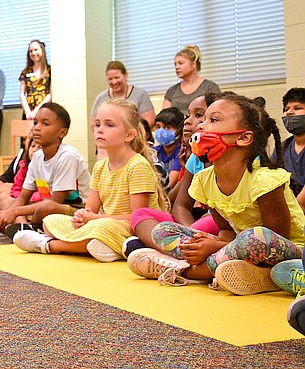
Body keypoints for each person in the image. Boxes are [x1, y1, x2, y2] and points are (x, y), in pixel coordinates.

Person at [127, 94, 305, 295]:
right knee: (162, 230)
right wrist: (207, 243)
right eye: (203, 120)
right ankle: (225, 269)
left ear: (244, 137)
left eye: (213, 120)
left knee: (254, 238)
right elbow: (226, 231)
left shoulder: (264, 180)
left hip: (290, 251)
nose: (201, 126)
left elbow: (276, 236)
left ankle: (187, 271)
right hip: (235, 248)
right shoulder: (205, 179)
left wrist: (214, 246)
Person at [13, 99, 167, 262]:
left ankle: (50, 246)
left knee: (102, 228)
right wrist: (81, 216)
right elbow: (90, 210)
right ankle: (107, 247)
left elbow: (137, 219)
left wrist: (94, 219)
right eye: (98, 124)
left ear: (129, 135)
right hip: (104, 224)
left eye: (109, 125)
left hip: (131, 228)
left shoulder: (138, 166)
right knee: (51, 221)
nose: (100, 130)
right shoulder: (100, 167)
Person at [125, 93, 222, 257]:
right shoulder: (195, 159)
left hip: (219, 224)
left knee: (210, 219)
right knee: (140, 214)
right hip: (193, 227)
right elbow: (178, 205)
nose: (188, 121)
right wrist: (189, 231)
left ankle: (171, 252)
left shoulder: (237, 161)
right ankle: (183, 249)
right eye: (188, 115)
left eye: (198, 115)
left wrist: (187, 233)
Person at [0, 103, 90, 238]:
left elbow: (55, 202)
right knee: (8, 201)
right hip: (49, 208)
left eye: (45, 124)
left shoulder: (67, 156)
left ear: (62, 132)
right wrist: (4, 215)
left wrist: (14, 213)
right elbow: (23, 197)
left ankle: (32, 230)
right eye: (35, 123)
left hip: (77, 210)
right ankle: (25, 228)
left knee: (45, 207)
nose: (37, 128)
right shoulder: (37, 157)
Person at [90, 61, 155, 129]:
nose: (114, 82)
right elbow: (93, 124)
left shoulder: (140, 94)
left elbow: (149, 121)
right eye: (110, 79)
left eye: (117, 77)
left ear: (125, 75)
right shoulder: (101, 98)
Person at [162, 45, 221, 113]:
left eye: (180, 63)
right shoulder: (172, 91)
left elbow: (217, 113)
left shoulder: (210, 87)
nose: (177, 67)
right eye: (175, 64)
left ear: (193, 64)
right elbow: (164, 117)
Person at [277, 87, 305, 211]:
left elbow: (301, 205)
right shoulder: (283, 148)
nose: (289, 112)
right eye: (286, 109)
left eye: (297, 108)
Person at [153, 107, 185, 191]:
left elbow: (170, 184)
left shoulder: (182, 152)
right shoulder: (154, 152)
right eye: (158, 127)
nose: (161, 131)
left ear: (179, 129)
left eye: (167, 127)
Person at [19, 40, 51, 120]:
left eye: (36, 50)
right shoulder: (26, 71)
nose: (33, 53)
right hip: (28, 112)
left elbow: (50, 94)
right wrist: (28, 112)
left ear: (42, 50)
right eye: (31, 51)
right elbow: (22, 94)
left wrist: (36, 111)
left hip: (44, 109)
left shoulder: (49, 70)